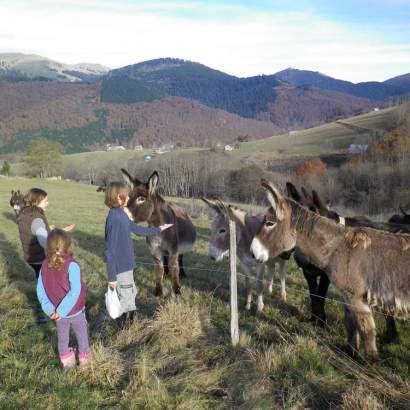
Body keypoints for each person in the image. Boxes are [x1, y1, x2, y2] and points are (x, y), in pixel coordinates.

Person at [104, 182, 172, 326]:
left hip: (128, 266)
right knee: (127, 299)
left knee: (130, 293)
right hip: (121, 268)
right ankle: (126, 331)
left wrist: (159, 228)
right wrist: (111, 277)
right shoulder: (114, 218)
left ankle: (128, 325)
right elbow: (109, 251)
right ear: (117, 197)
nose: (129, 197)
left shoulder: (121, 214)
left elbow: (137, 230)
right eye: (126, 194)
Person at [17, 188, 75, 323]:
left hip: (30, 257)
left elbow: (36, 231)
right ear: (36, 201)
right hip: (39, 258)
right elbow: (44, 241)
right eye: (45, 201)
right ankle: (45, 313)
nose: (47, 203)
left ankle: (45, 310)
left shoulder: (25, 213)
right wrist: (60, 239)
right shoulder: (37, 218)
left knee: (41, 283)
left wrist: (55, 230)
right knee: (45, 286)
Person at [36, 229, 90, 371]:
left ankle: (67, 363)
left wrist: (49, 309)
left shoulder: (43, 266)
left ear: (48, 247)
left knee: (63, 338)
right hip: (75, 311)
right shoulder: (72, 265)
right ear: (67, 246)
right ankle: (84, 362)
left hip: (56, 314)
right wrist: (62, 310)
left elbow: (40, 291)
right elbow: (75, 291)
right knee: (81, 334)